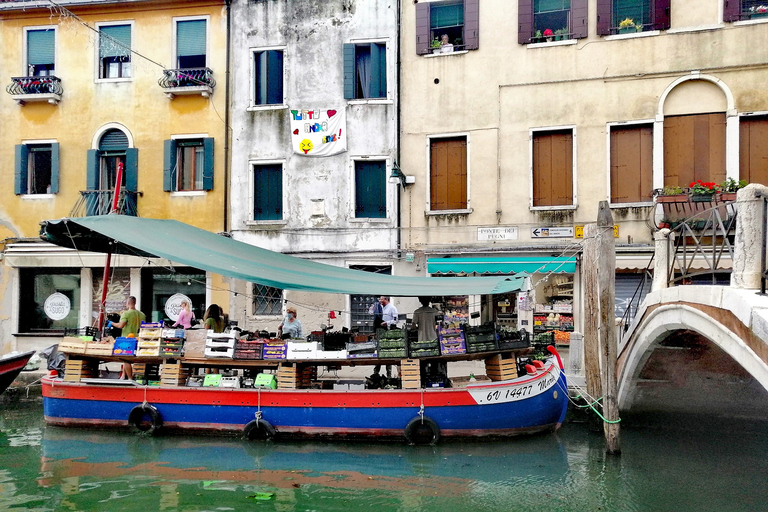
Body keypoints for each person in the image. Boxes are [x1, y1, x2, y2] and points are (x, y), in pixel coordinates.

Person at [109, 296, 145, 379]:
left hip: (127, 339)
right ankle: (123, 375)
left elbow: (121, 325)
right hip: (137, 339)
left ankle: (130, 378)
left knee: (126, 359)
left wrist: (112, 323)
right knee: (125, 358)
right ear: (135, 303)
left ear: (128, 303)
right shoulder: (142, 314)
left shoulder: (126, 313)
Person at [370, 296, 398, 377]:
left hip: (388, 332)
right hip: (380, 333)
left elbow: (396, 320)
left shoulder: (392, 308)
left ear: (386, 299)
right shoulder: (381, 308)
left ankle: (389, 375)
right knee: (379, 353)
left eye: (381, 299)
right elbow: (370, 312)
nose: (380, 300)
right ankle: (376, 373)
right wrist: (373, 307)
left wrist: (387, 323)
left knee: (387, 353)